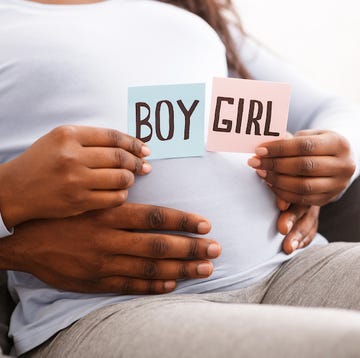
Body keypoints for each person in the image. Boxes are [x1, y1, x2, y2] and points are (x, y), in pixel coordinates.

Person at [0, 0, 359, 357]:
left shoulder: (185, 8)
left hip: (292, 264)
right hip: (109, 310)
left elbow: (332, 109)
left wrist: (332, 156)